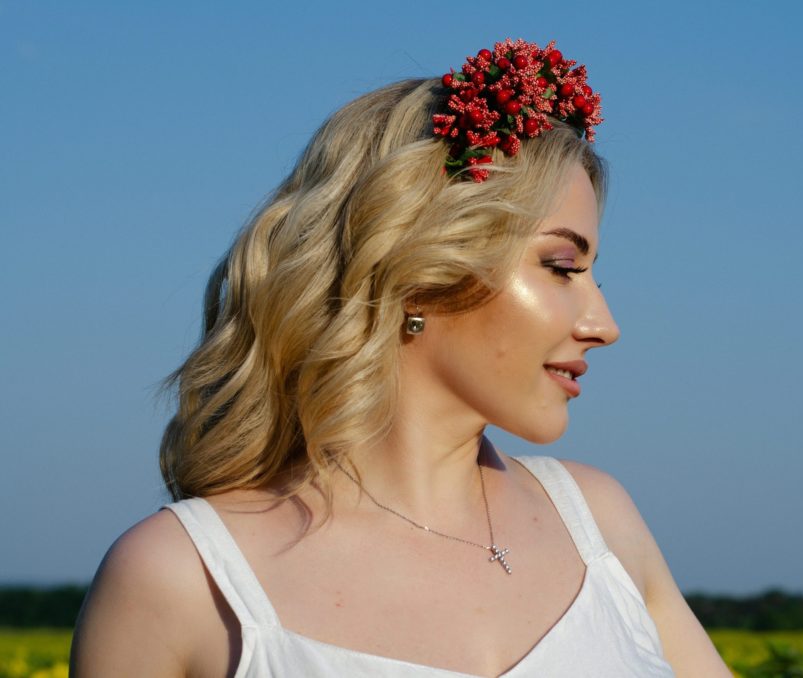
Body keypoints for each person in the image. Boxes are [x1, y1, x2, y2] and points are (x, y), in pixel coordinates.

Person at [70, 39, 731, 677]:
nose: (603, 326)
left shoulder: (601, 522)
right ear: (414, 269)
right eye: (561, 267)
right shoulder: (180, 580)